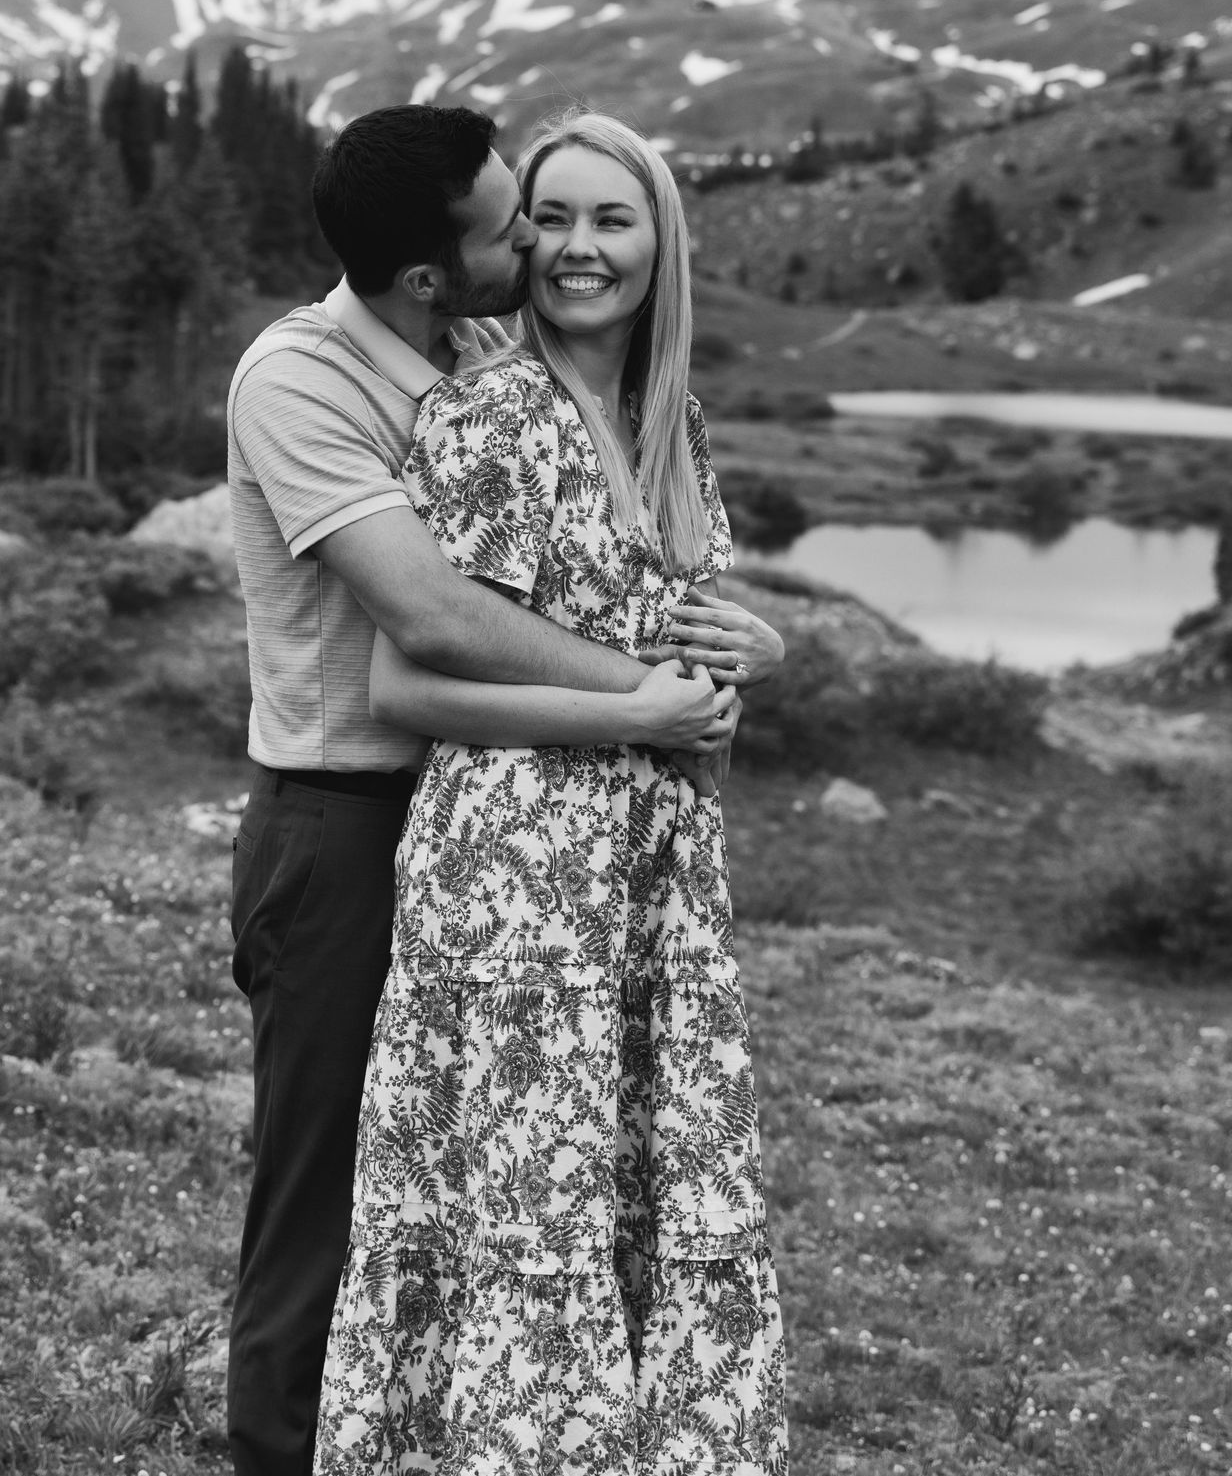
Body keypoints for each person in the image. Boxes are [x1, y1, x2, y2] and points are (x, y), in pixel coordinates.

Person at [226, 104, 781, 1476]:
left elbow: (640, 571)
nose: (542, 244)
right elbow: (433, 628)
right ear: (437, 271)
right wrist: (636, 703)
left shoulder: (486, 349)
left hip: (544, 837)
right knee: (335, 1205)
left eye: (579, 215)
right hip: (346, 817)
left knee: (539, 1194)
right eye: (519, 222)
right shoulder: (301, 382)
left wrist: (744, 648)